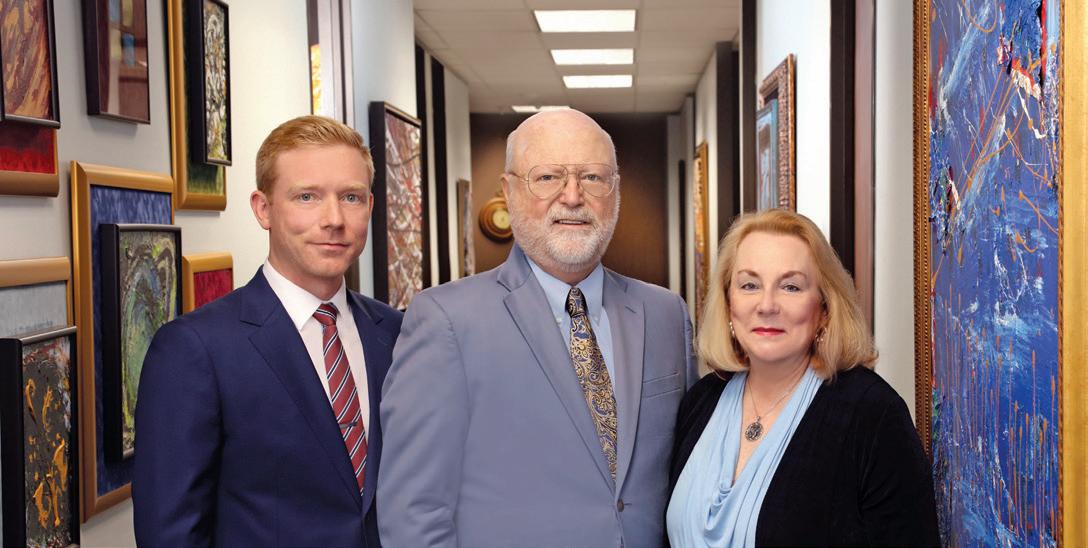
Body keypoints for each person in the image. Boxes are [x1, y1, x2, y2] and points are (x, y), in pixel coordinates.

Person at [378, 109, 697, 547]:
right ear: (508, 191)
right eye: (547, 177)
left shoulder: (665, 315)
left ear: (616, 190)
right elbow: (413, 512)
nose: (572, 196)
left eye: (593, 177)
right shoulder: (446, 321)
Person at [133, 115, 401, 546]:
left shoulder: (397, 334)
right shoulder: (196, 349)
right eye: (307, 197)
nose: (334, 219)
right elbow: (170, 534)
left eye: (350, 197)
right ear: (263, 209)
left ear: (369, 206)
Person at [666, 209, 939, 547]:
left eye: (791, 287)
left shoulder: (872, 415)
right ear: (728, 302)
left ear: (824, 309)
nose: (767, 305)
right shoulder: (701, 400)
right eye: (750, 285)